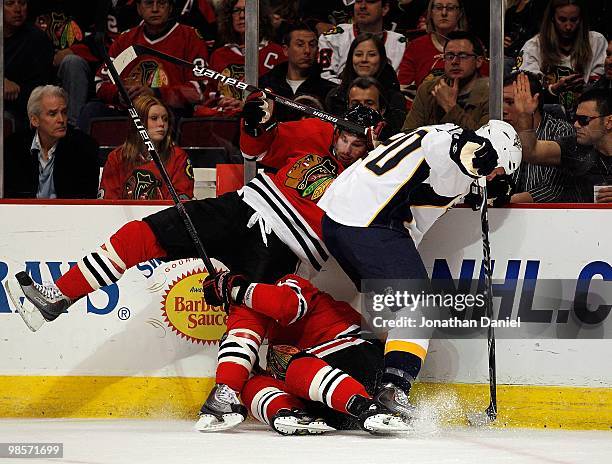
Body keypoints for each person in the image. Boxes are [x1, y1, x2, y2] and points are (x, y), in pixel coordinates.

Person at [4, 102, 382, 332]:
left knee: (246, 320)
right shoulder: (315, 131)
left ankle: (226, 395)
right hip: (243, 208)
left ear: (373, 144)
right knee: (141, 234)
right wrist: (254, 123)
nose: (346, 147)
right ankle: (58, 296)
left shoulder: (377, 175)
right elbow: (256, 148)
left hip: (286, 248)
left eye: (357, 142)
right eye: (343, 137)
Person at [318, 119, 522, 404]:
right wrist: (462, 149)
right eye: (495, 171)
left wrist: (479, 184)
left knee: (392, 315)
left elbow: (433, 166)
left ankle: (357, 387)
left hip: (339, 219)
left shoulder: (435, 134)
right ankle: (393, 391)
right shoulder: (454, 149)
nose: (492, 178)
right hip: (370, 221)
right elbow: (440, 148)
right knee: (420, 308)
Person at [196, 273, 410, 434]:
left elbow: (286, 305)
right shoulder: (247, 313)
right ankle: (287, 412)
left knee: (295, 367)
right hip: (336, 406)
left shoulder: (290, 282)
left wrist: (234, 288)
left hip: (359, 358)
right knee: (252, 384)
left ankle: (371, 407)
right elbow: (241, 340)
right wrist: (227, 387)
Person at [80, 0, 209, 130]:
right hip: (129, 111)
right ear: (138, 8)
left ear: (170, 8)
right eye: (148, 3)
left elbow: (199, 89)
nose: (155, 9)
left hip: (168, 112)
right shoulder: (126, 40)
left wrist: (156, 93)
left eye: (161, 3)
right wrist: (119, 94)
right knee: (92, 110)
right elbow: (101, 82)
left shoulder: (190, 37)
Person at [513, 73, 612, 203]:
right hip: (579, 221)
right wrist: (525, 115)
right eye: (576, 118)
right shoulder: (574, 146)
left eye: (584, 120)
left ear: (609, 122)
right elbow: (531, 152)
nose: (576, 125)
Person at [3, 85, 100, 199]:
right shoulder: (13, 147)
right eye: (52, 114)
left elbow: (85, 200)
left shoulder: (84, 148)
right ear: (34, 120)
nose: (61, 120)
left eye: (63, 112)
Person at [518, 0, 607, 117]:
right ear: (552, 18)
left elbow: (602, 88)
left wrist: (585, 87)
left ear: (581, 19)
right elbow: (525, 91)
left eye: (574, 20)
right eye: (562, 19)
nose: (568, 26)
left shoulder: (596, 42)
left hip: (586, 116)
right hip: (545, 117)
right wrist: (553, 90)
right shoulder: (533, 46)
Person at [98, 95, 194, 200]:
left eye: (165, 119)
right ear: (139, 122)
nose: (161, 124)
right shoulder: (117, 157)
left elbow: (182, 201)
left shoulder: (178, 157)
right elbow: (108, 202)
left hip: (165, 216)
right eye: (154, 118)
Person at [502, 71, 578, 203]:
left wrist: (507, 201)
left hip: (547, 216)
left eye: (510, 102)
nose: (503, 109)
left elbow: (554, 189)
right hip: (502, 214)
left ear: (534, 102)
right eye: (501, 102)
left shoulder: (561, 131)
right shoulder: (499, 132)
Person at [201, 0, 284, 117]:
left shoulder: (277, 53)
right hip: (225, 122)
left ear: (260, 16)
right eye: (236, 10)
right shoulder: (219, 55)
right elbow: (209, 94)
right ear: (229, 17)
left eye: (247, 10)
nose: (242, 15)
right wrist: (222, 101)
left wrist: (246, 105)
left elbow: (282, 98)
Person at [403, 30, 489, 131]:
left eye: (463, 56)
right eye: (450, 56)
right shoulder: (428, 89)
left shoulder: (491, 93)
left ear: (478, 61)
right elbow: (408, 133)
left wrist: (450, 107)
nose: (454, 62)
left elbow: (484, 141)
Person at [325, 33, 406, 134]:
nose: (364, 59)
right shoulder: (335, 97)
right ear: (351, 59)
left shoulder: (395, 98)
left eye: (371, 55)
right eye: (358, 54)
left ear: (381, 59)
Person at [259, 22, 336, 122]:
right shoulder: (265, 85)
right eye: (300, 45)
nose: (307, 50)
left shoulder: (329, 90)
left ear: (317, 50)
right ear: (286, 50)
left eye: (312, 45)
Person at [318, 0, 406, 85]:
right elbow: (326, 80)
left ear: (385, 8)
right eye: (358, 1)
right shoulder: (332, 38)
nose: (362, 6)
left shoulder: (400, 43)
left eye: (370, 1)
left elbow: (401, 85)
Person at [3, 0, 54, 132]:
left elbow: (39, 90)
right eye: (9, 3)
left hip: (21, 111)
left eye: (22, 3)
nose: (18, 9)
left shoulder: (37, 40)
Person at [397, 0, 467, 91]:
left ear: (460, 13)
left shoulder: (471, 46)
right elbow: (403, 89)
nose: (444, 13)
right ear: (431, 12)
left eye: (450, 8)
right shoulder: (416, 47)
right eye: (438, 7)